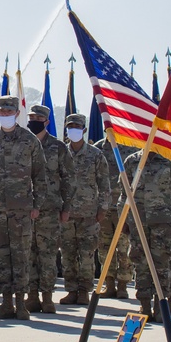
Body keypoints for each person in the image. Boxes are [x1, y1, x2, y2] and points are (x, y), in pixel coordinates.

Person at [0, 95, 45, 320]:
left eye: (9, 112)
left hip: (21, 208)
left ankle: (21, 304)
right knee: (0, 255)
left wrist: (37, 204)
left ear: (17, 113)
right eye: (2, 112)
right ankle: (5, 302)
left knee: (21, 255)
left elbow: (40, 176)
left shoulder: (30, 141)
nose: (5, 115)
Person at [122, 149, 171, 322]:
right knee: (140, 261)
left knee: (162, 262)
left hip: (163, 220)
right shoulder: (132, 161)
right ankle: (144, 303)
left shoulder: (169, 160)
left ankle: (160, 303)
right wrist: (124, 219)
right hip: (138, 219)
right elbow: (124, 192)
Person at [58, 113, 110, 306]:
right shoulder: (61, 153)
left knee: (87, 255)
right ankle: (71, 290)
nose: (73, 130)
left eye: (77, 127)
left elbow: (104, 184)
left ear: (84, 130)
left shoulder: (96, 155)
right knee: (68, 254)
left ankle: (84, 291)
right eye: (70, 126)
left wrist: (103, 208)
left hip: (89, 213)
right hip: (66, 212)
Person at [24, 105, 68, 314]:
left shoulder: (58, 147)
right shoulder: (22, 142)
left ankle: (48, 296)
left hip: (49, 209)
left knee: (48, 255)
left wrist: (66, 207)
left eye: (38, 118)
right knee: (28, 253)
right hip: (24, 208)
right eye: (31, 117)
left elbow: (69, 179)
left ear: (47, 122)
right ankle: (31, 295)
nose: (34, 121)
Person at [93, 136, 136, 300]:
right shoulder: (98, 149)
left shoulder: (130, 149)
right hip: (103, 206)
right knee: (104, 247)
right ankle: (109, 283)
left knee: (123, 248)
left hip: (123, 207)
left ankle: (123, 285)